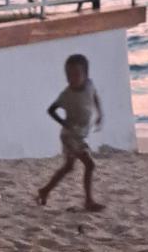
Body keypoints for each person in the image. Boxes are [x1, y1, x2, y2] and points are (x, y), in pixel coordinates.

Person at [37, 53, 105, 211]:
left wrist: (100, 113)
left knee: (68, 167)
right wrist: (64, 122)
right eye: (69, 75)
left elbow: (95, 95)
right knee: (90, 164)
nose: (72, 78)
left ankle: (45, 190)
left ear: (86, 75)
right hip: (70, 136)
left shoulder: (89, 85)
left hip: (79, 134)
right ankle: (89, 201)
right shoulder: (67, 95)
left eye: (76, 74)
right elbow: (51, 110)